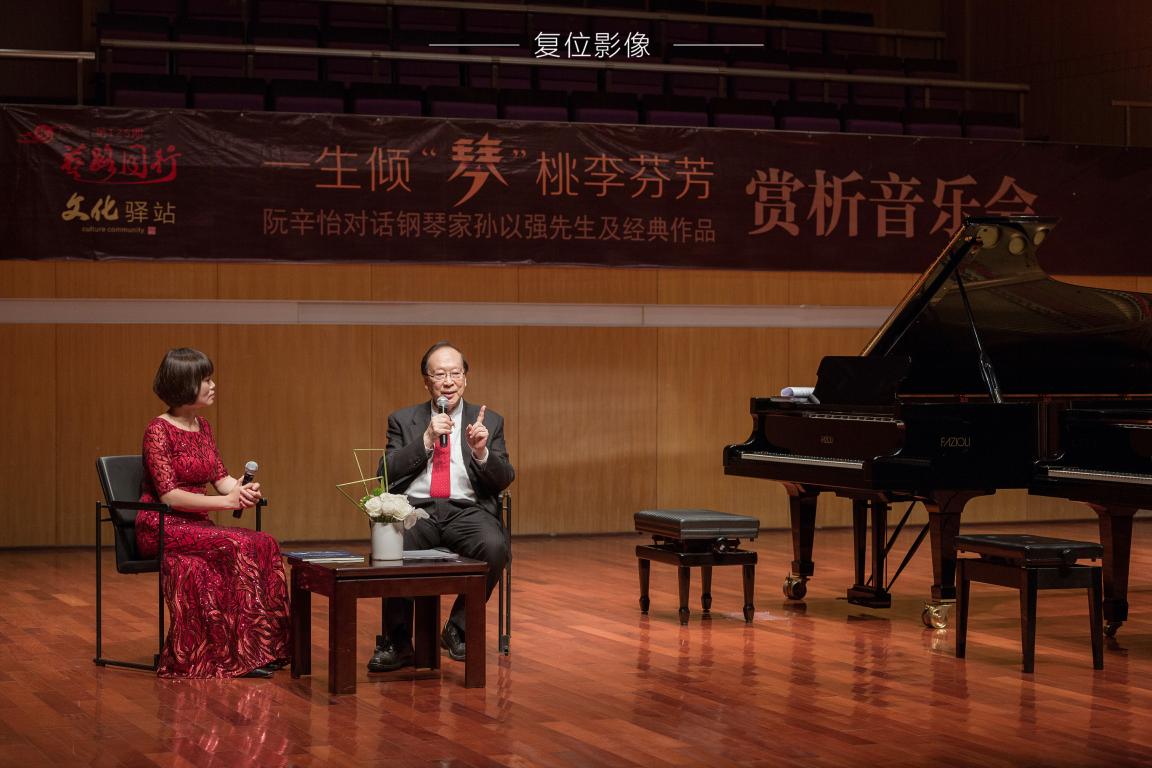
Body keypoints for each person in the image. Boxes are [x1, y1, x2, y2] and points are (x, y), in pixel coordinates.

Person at [136, 347, 290, 679]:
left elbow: (221, 479)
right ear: (183, 384)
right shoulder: (157, 430)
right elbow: (169, 495)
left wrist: (241, 489)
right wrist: (226, 503)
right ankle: (242, 653)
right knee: (238, 543)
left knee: (265, 542)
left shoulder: (202, 426)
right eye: (205, 379)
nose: (213, 385)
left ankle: (265, 647)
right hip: (161, 524)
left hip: (196, 524)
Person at [369, 341, 515, 672]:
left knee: (495, 546)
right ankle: (397, 642)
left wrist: (482, 452)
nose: (448, 382)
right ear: (426, 381)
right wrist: (425, 440)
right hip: (416, 510)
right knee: (393, 547)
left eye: (455, 373)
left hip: (466, 510)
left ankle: (457, 628)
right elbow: (385, 473)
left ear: (465, 378)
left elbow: (504, 478)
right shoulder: (403, 420)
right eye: (439, 375)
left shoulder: (489, 421)